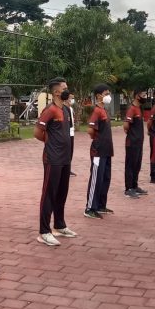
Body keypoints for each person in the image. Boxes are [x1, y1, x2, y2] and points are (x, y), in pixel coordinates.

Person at [34, 78, 76, 245]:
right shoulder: (49, 110)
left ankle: (59, 225)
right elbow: (37, 132)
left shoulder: (65, 109)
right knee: (49, 194)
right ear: (56, 92)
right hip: (53, 159)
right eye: (64, 88)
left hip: (65, 158)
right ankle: (44, 231)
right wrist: (51, 144)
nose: (67, 90)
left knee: (62, 193)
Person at [85, 84, 114, 219]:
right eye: (106, 93)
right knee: (96, 179)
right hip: (98, 151)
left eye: (109, 93)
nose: (108, 96)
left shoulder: (104, 110)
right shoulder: (97, 111)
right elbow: (90, 130)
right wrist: (97, 140)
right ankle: (90, 208)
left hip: (107, 150)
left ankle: (101, 205)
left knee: (105, 178)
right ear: (98, 96)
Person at [123, 89, 148, 198]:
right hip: (132, 142)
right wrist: (132, 135)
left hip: (139, 142)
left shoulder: (139, 108)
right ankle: (128, 188)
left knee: (137, 165)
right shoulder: (132, 109)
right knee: (130, 165)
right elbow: (126, 126)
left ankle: (134, 186)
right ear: (137, 96)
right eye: (143, 94)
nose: (145, 96)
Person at [65, 93, 77, 177]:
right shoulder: (64, 109)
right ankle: (66, 169)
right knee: (66, 151)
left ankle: (68, 169)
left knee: (71, 151)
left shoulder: (71, 109)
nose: (72, 100)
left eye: (73, 98)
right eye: (71, 98)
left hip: (71, 132)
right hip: (66, 132)